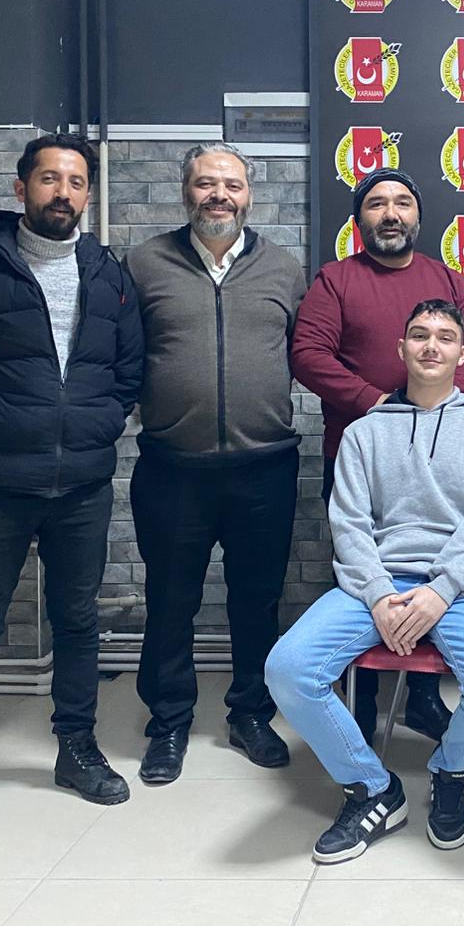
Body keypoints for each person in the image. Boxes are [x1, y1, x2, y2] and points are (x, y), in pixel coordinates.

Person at [0, 133, 143, 840]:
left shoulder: (108, 274)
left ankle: (76, 749)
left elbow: (129, 369)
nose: (62, 193)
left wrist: (100, 423)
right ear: (21, 189)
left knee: (78, 621)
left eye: (75, 182)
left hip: (81, 482)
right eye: (49, 179)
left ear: (88, 195)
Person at [266, 299, 464, 861]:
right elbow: (349, 523)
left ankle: (450, 771)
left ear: (463, 354)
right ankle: (373, 787)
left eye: (445, 337)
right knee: (288, 669)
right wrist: (379, 594)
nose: (432, 346)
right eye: (420, 335)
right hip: (376, 581)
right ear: (401, 348)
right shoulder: (363, 434)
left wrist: (441, 590)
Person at [291, 167, 464, 743]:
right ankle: (359, 704)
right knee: (365, 573)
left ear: (418, 217)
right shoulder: (336, 280)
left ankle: (423, 701)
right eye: (377, 204)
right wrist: (379, 403)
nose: (390, 214)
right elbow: (307, 354)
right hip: (362, 458)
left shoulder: (446, 279)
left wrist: (437, 399)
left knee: (434, 570)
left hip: (444, 464)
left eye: (402, 203)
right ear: (359, 219)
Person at [124, 145, 308, 784]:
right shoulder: (143, 265)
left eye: (232, 184)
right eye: (206, 183)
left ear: (250, 195)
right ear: (186, 191)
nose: (219, 195)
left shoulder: (284, 269)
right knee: (170, 599)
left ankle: (250, 714)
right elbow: (121, 354)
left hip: (265, 467)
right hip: (173, 466)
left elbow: (303, 354)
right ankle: (168, 723)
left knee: (257, 600)